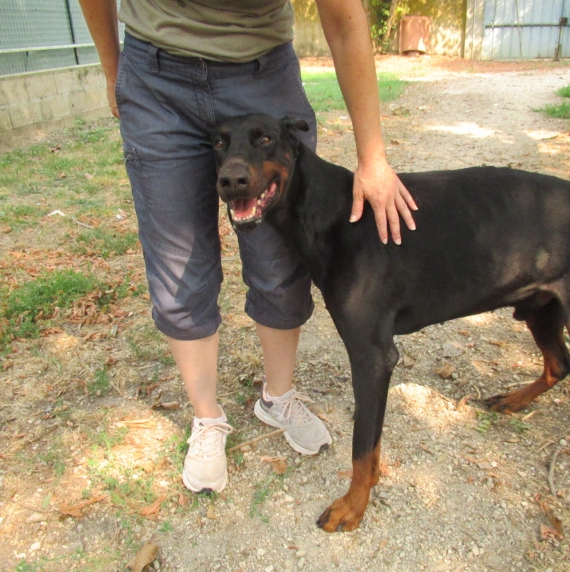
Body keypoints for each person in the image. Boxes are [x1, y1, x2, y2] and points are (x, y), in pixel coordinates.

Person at [78, 0, 417, 494]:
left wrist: (373, 156)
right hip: (156, 79)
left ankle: (278, 398)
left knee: (282, 266)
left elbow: (345, 20)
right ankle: (207, 419)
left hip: (262, 73)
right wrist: (115, 69)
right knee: (179, 268)